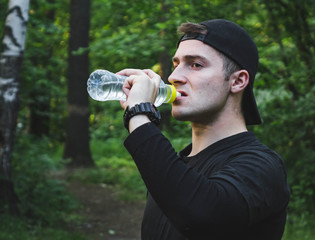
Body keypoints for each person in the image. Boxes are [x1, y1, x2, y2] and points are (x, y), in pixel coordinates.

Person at [118, 19, 290, 240]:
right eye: (176, 64)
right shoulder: (175, 167)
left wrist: (139, 114)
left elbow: (202, 216)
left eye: (195, 65)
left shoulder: (263, 166)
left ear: (238, 81)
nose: (173, 77)